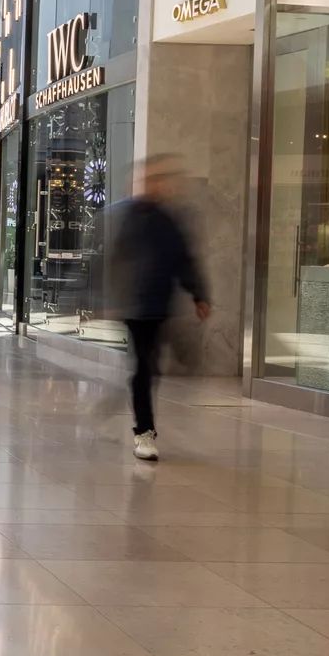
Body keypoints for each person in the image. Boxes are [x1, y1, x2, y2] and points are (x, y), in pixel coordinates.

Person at [109, 156, 210, 461]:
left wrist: (198, 294)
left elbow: (183, 259)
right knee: (144, 366)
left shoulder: (170, 219)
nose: (157, 184)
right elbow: (114, 260)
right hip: (134, 306)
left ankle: (132, 409)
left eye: (161, 179)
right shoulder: (128, 215)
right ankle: (144, 432)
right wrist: (111, 300)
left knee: (150, 366)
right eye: (151, 179)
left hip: (160, 304)